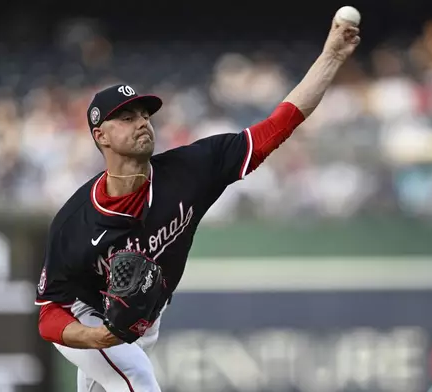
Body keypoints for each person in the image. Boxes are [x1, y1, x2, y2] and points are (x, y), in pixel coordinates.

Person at [35, 13, 361, 392]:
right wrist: (97, 338)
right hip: (87, 316)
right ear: (100, 136)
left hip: (145, 316)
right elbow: (48, 315)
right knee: (137, 376)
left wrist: (332, 57)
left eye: (144, 114)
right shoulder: (75, 220)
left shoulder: (190, 170)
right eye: (125, 117)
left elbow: (279, 125)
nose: (141, 122)